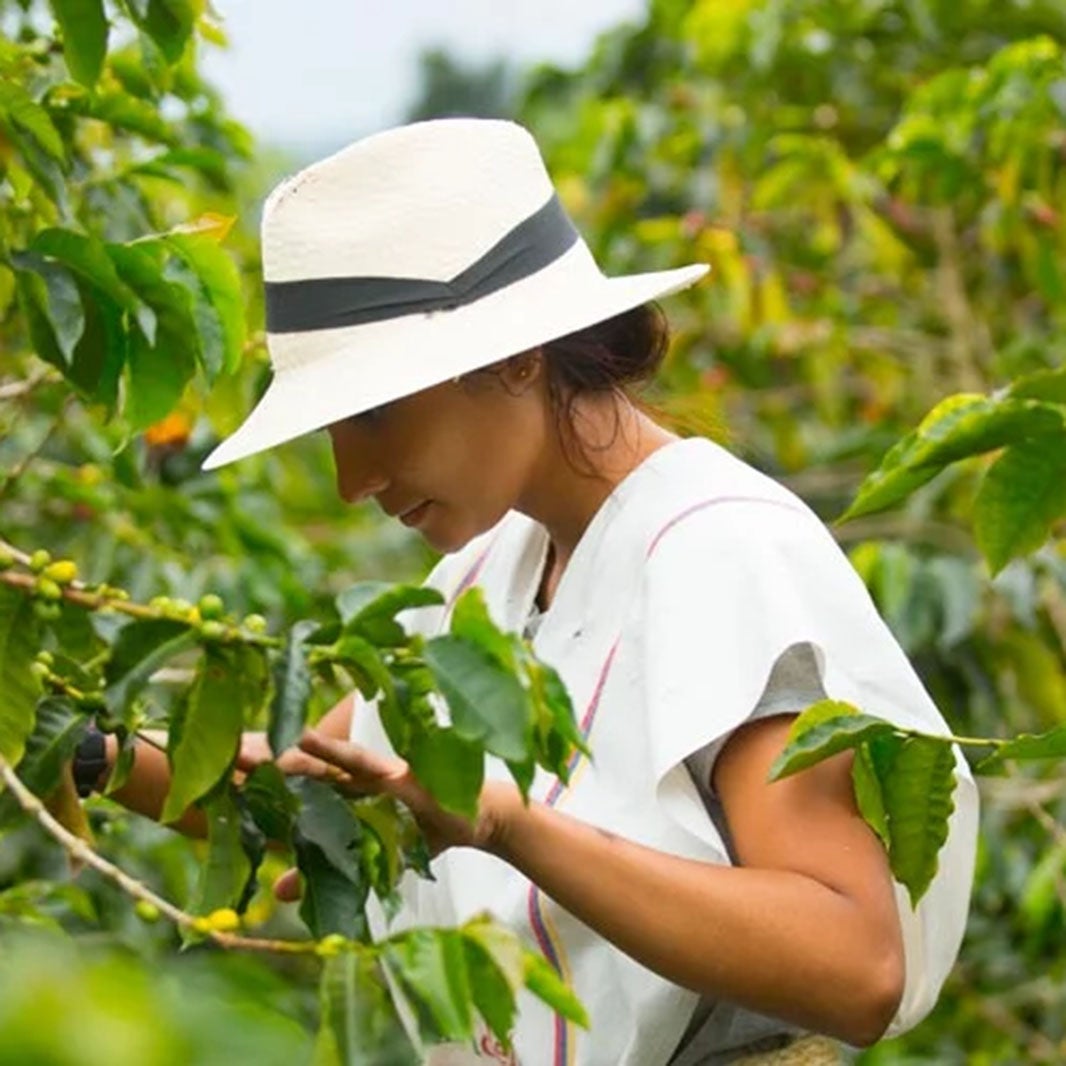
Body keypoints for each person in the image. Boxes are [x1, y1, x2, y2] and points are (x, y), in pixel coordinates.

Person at [88, 119, 979, 1065]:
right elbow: (313, 784)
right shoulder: (489, 579)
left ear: (519, 356)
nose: (353, 479)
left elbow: (854, 963)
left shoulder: (721, 556)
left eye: (376, 415)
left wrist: (511, 827)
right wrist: (82, 751)